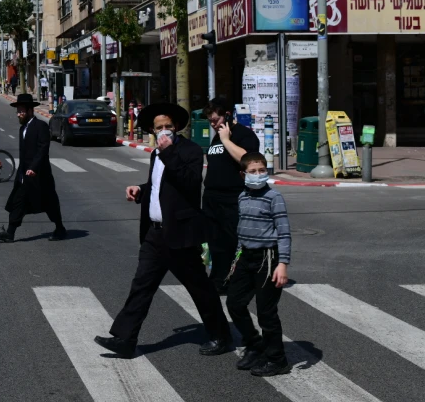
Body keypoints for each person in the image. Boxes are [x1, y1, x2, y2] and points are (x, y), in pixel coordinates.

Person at [95, 103, 231, 359]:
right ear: (152, 130)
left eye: (169, 126)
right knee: (141, 285)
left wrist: (169, 153)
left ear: (177, 127)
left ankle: (220, 335)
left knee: (199, 288)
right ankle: (125, 338)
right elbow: (160, 186)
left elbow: (190, 184)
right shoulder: (155, 154)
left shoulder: (189, 150)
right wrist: (140, 190)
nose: (164, 131)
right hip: (155, 234)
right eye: (159, 128)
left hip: (180, 234)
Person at [226, 151, 292, 376]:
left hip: (268, 258)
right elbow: (241, 229)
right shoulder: (242, 196)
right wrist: (236, 259)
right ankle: (255, 344)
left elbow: (283, 232)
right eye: (252, 172)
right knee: (234, 303)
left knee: (266, 312)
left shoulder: (274, 197)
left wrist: (282, 263)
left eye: (261, 170)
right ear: (243, 175)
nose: (257, 175)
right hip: (245, 257)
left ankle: (277, 359)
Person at [202, 97, 260, 293]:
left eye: (216, 120)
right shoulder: (217, 136)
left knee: (231, 241)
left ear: (227, 115)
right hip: (212, 197)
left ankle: (236, 279)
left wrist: (226, 139)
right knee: (214, 241)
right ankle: (218, 279)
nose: (213, 124)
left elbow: (248, 161)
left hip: (232, 197)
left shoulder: (244, 135)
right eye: (210, 120)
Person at [0, 94, 66, 242]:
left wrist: (34, 167)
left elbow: (43, 148)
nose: (19, 113)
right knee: (18, 201)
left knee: (49, 202)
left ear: (30, 110)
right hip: (24, 175)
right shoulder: (23, 128)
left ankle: (60, 228)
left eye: (21, 111)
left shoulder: (40, 126)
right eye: (18, 111)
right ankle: (10, 233)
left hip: (40, 175)